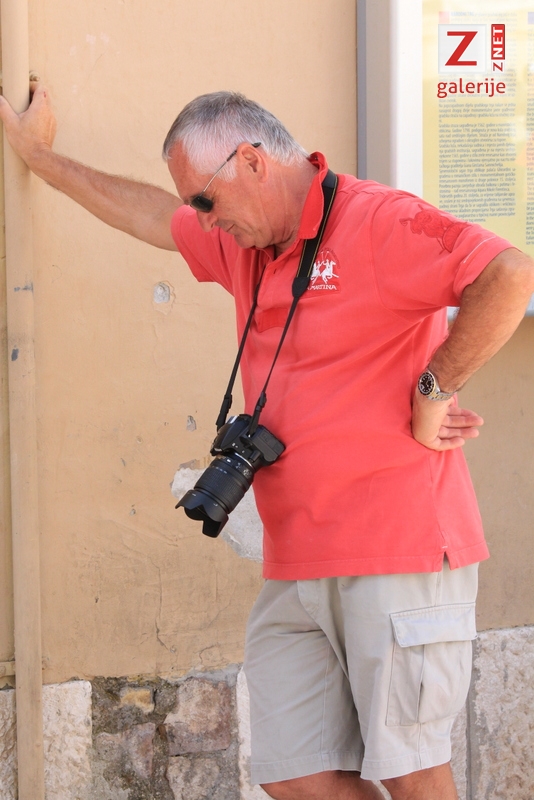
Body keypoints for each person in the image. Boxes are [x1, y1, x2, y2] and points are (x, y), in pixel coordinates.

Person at [1, 84, 533, 800]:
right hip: (297, 564)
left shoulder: (380, 221)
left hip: (396, 549)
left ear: (251, 162)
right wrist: (40, 159)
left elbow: (508, 274)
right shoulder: (242, 244)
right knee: (295, 774)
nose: (203, 221)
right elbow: (151, 216)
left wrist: (433, 389)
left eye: (206, 201)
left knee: (410, 769)